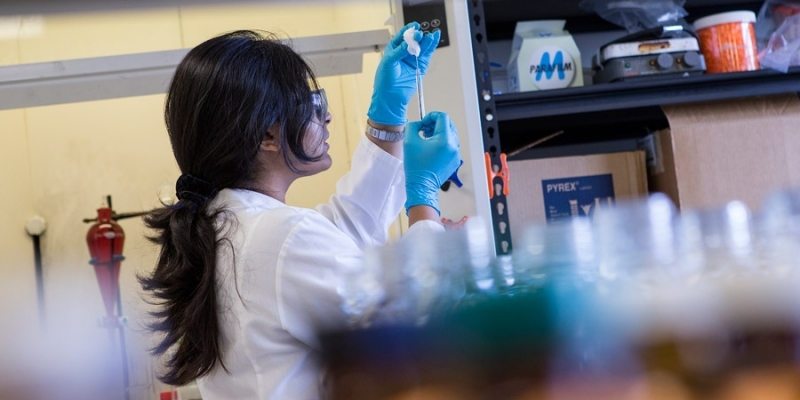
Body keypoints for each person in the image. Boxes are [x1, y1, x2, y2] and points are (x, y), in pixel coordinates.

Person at [138, 23, 461, 399]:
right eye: (313, 106)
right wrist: (424, 202)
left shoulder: (230, 225)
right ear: (267, 136)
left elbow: (349, 228)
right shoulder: (278, 237)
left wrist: (388, 117)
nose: (326, 119)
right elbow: (411, 330)